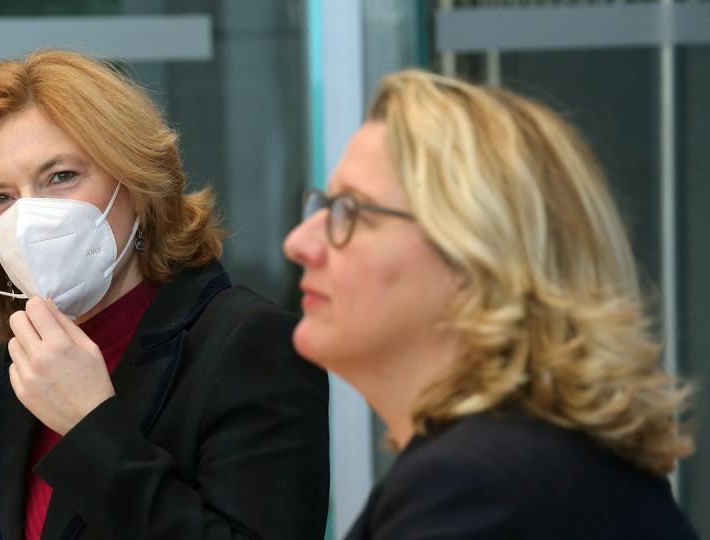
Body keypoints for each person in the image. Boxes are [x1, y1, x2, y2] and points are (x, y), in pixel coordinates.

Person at [0, 50, 330, 540]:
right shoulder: (21, 361)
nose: (31, 216)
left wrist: (90, 426)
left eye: (61, 177)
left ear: (133, 181)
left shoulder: (249, 343)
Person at [284, 70, 697, 539]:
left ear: (478, 256)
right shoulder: (526, 468)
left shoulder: (477, 488)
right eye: (323, 207)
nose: (298, 243)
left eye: (351, 212)